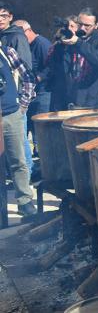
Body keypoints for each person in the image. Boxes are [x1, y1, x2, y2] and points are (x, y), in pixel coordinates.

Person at [47, 9, 98, 111]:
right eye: (80, 24)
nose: (83, 28)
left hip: (96, 102)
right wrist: (61, 45)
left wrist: (79, 43)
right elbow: (61, 68)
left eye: (87, 25)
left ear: (96, 25)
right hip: (75, 99)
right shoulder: (76, 39)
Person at [1, 41, 37, 217]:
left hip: (10, 115)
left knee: (18, 160)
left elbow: (29, 77)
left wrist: (23, 104)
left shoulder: (7, 52)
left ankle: (24, 201)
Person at [12, 19, 50, 177]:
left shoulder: (41, 44)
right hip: (32, 93)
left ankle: (44, 168)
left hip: (43, 92)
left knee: (41, 131)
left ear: (27, 31)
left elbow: (50, 67)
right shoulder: (27, 45)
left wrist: (38, 78)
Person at [0, 2, 32, 71]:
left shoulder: (18, 37)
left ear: (10, 17)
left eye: (4, 16)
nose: (0, 19)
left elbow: (26, 66)